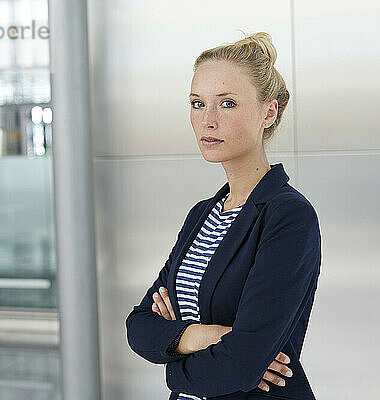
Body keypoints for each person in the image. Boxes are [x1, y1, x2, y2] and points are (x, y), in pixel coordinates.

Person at [125, 31, 322, 400]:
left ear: (268, 112)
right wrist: (209, 335)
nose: (207, 120)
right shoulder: (203, 214)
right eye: (197, 104)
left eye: (227, 103)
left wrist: (173, 357)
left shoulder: (288, 216)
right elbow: (139, 326)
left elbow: (242, 363)